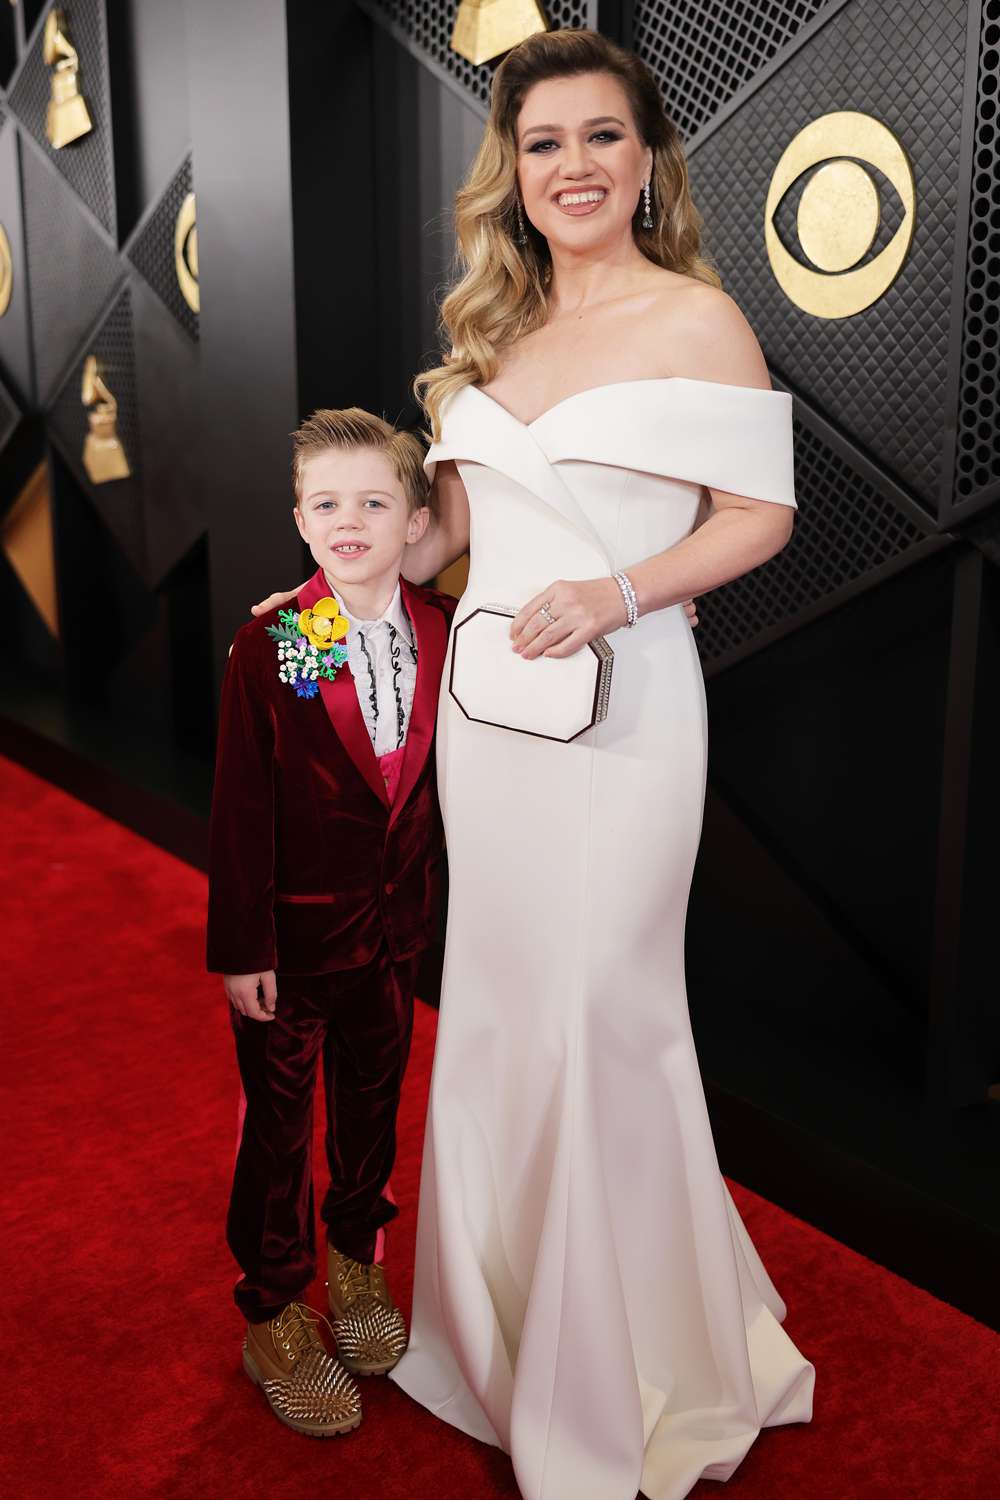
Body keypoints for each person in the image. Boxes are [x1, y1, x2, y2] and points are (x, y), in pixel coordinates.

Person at [256, 28, 814, 1499]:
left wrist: (619, 593)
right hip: (491, 733)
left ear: (646, 160)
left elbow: (762, 515)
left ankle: (629, 1371)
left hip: (629, 719)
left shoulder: (699, 318)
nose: (574, 165)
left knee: (599, 1010)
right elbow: (442, 547)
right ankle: (500, 1347)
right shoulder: (489, 331)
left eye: (602, 137)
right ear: (512, 168)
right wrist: (322, 608)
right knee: (500, 1009)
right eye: (546, 141)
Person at [209, 408, 456, 1437]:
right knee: (278, 1132)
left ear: (415, 520)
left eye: (372, 502)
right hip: (290, 949)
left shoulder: (449, 628)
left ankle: (356, 1260)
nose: (348, 521)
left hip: (394, 937)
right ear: (300, 520)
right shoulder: (273, 642)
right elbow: (240, 809)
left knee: (371, 1105)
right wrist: (241, 950)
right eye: (326, 504)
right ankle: (271, 1308)